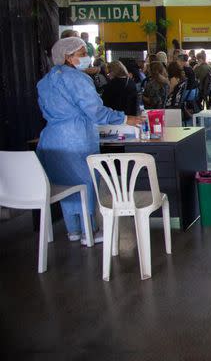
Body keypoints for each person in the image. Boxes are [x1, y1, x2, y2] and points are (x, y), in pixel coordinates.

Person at [36, 37, 143, 244]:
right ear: (68, 57)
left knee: (65, 185)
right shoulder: (78, 80)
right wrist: (124, 118)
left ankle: (74, 230)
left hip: (51, 138)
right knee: (86, 182)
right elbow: (95, 111)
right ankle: (89, 231)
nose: (87, 58)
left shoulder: (45, 81)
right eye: (82, 53)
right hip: (77, 138)